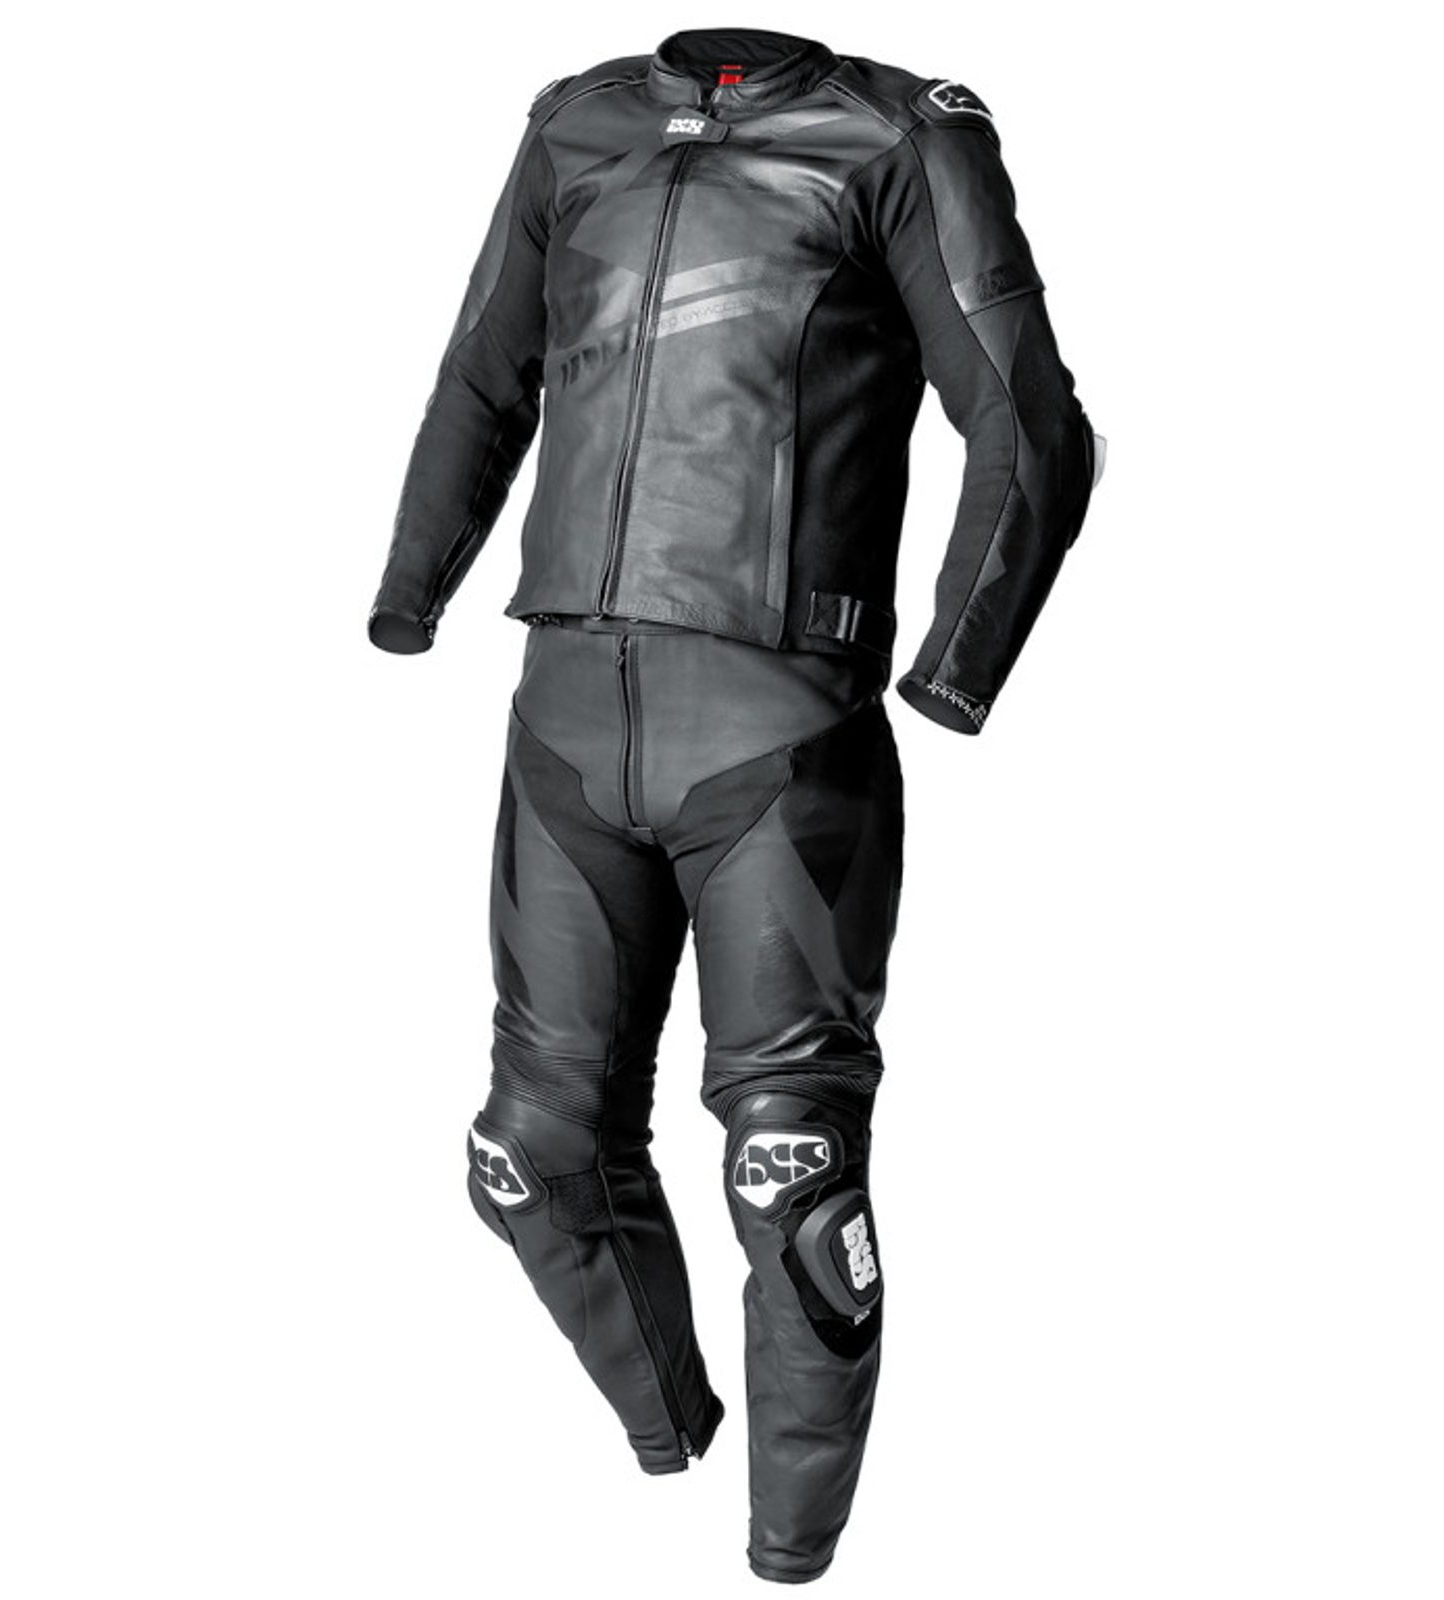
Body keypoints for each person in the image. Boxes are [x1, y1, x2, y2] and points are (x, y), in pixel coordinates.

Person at [367, 27, 1102, 1584]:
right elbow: (485, 371)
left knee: (791, 1176)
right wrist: (410, 586)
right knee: (528, 1157)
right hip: (564, 718)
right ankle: (673, 1438)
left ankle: (790, 1554)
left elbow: (1029, 420)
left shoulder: (897, 138)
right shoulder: (577, 123)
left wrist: (956, 669)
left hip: (779, 740)